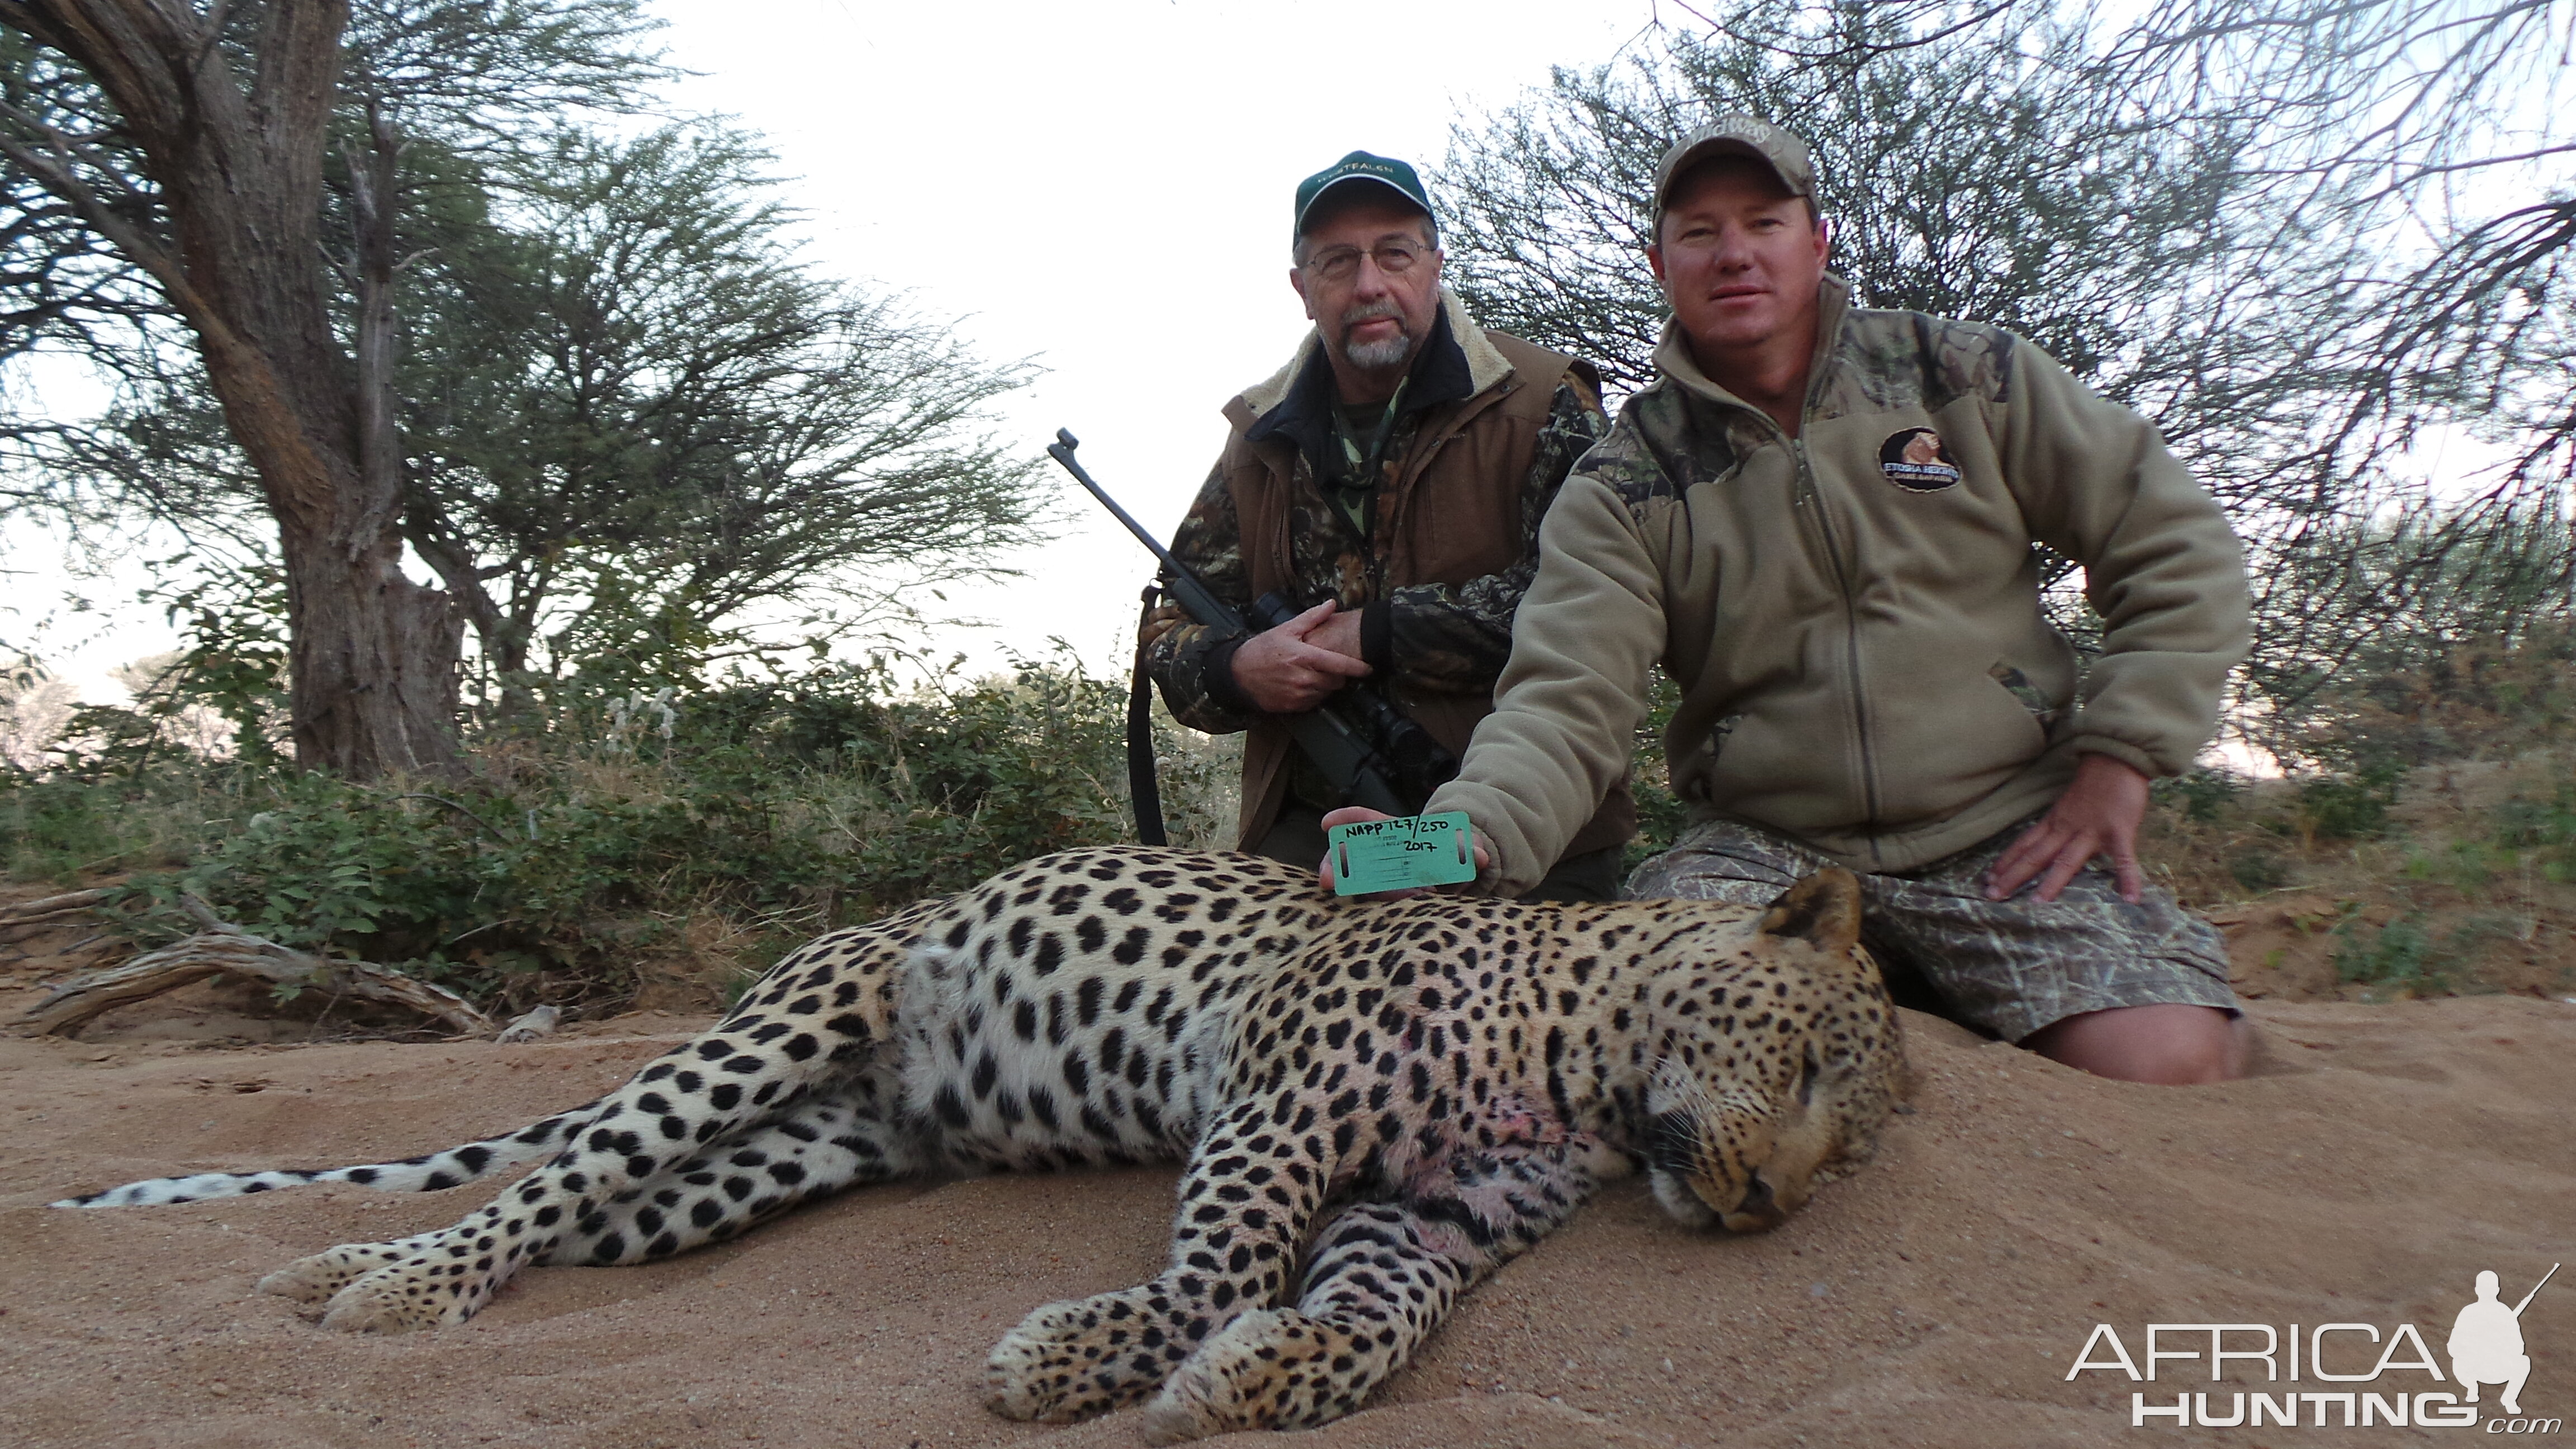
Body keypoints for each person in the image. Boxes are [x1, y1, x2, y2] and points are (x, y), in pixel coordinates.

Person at [1339, 117, 2255, 1084]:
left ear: (1818, 242)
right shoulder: (1622, 482)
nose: (1733, 253)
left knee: (2165, 1062)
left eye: (1764, 221)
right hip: (1766, 850)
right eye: (1698, 232)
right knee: (1652, 1040)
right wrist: (1456, 838)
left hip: (2011, 828)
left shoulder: (1964, 376)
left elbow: (2175, 543)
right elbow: (1563, 702)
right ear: (1660, 263)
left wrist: (2122, 754)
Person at [1140, 150, 1635, 901]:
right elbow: (1169, 626)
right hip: (1316, 827)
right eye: (1338, 262)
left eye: (1394, 253)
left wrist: (1374, 636)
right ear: (1303, 290)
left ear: (1436, 265)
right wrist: (1236, 671)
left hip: (1527, 829)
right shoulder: (1257, 436)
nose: (1369, 283)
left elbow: (1590, 612)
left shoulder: (1544, 399)